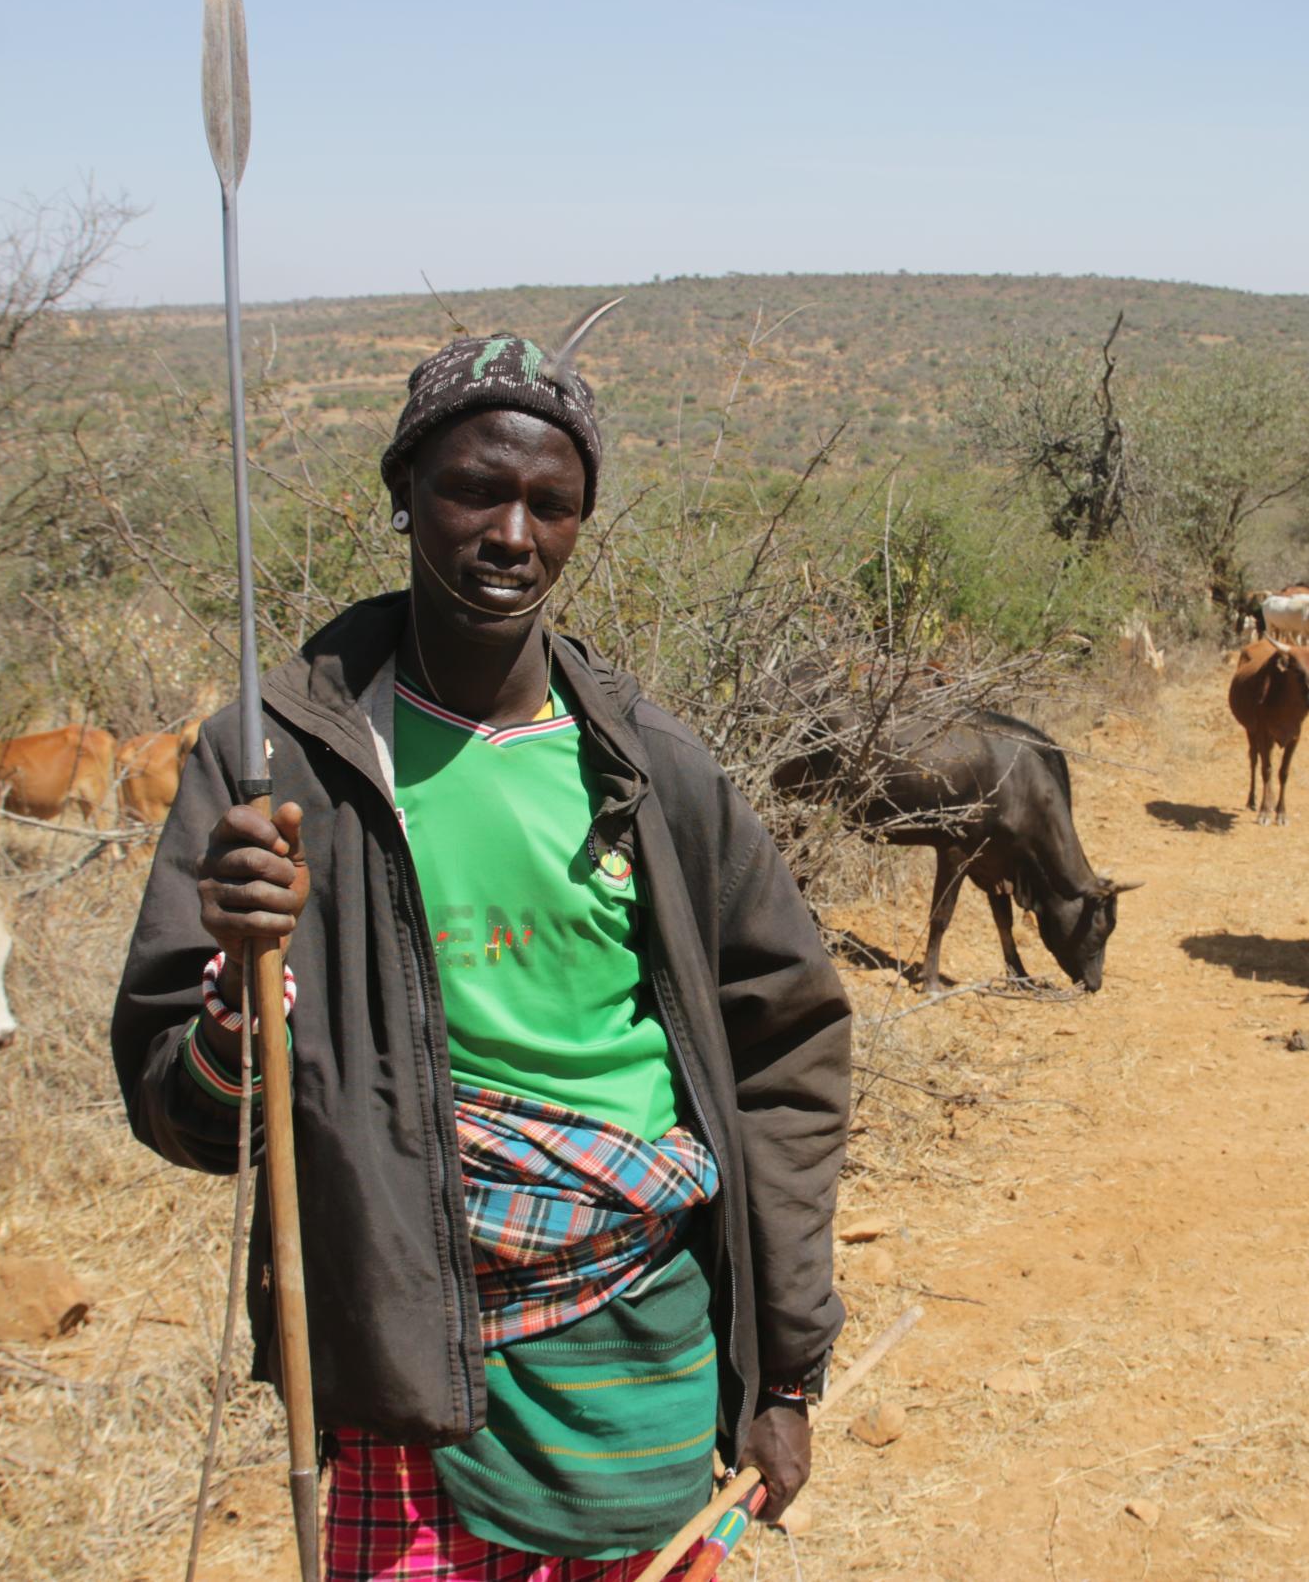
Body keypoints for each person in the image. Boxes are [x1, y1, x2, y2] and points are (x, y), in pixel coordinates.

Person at [112, 319, 853, 1581]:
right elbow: (184, 1111)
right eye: (474, 488)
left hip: (641, 1345)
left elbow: (788, 1052)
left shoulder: (652, 772)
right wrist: (243, 996)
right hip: (400, 1336)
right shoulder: (280, 761)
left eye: (550, 504)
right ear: (404, 492)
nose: (512, 534)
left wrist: (783, 1364)